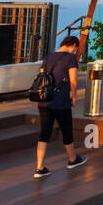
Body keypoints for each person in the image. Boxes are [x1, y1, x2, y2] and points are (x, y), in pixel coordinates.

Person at [34, 36, 87, 179]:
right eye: (76, 48)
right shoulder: (70, 58)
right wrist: (74, 96)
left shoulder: (48, 57)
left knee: (44, 132)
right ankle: (72, 159)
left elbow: (42, 75)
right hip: (61, 100)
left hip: (45, 100)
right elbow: (73, 80)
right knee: (66, 130)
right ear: (74, 46)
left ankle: (39, 168)